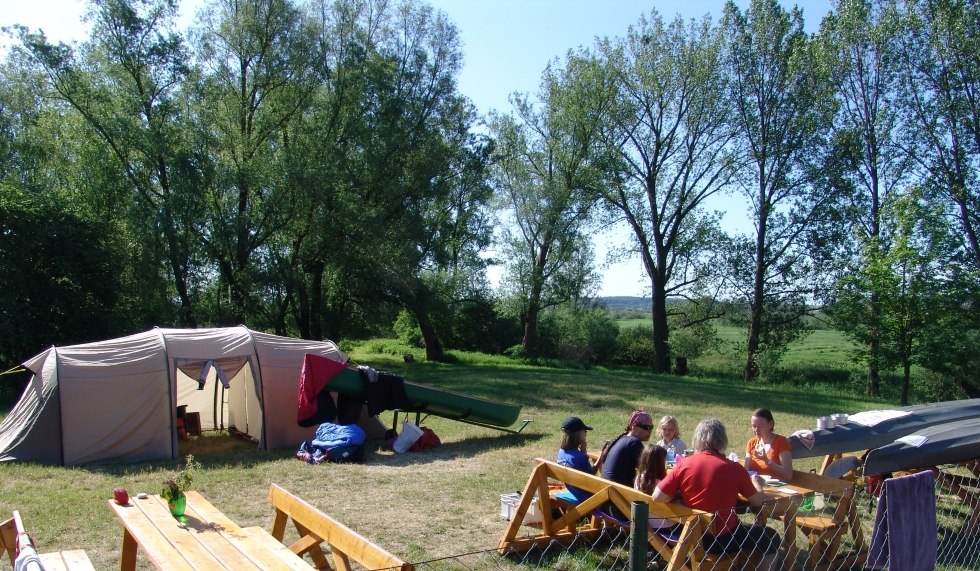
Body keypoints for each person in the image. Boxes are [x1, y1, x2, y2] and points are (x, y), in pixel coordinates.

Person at [653, 418, 780, 571]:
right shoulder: (734, 468)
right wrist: (757, 484)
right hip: (723, 539)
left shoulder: (684, 464)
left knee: (742, 525)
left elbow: (657, 496)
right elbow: (758, 502)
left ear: (698, 438)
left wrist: (680, 494)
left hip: (690, 534)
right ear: (722, 439)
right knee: (771, 537)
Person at [598, 410, 654, 487]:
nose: (650, 431)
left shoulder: (621, 439)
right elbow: (649, 469)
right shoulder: (634, 443)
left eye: (651, 427)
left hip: (606, 490)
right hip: (619, 492)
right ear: (635, 427)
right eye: (647, 427)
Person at [634, 443, 676, 531]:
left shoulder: (639, 478)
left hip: (646, 520)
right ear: (660, 463)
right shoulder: (660, 484)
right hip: (665, 525)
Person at [744, 408, 793, 482]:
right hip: (755, 484)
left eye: (760, 426)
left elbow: (788, 475)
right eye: (754, 426)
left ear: (771, 424)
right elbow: (746, 472)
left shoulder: (781, 442)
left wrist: (767, 461)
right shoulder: (752, 443)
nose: (756, 430)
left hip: (776, 485)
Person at [556, 416, 597, 503]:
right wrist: (602, 456)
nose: (586, 433)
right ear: (578, 433)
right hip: (586, 497)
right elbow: (591, 476)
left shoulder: (561, 452)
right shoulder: (580, 457)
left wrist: (583, 451)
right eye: (584, 430)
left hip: (574, 490)